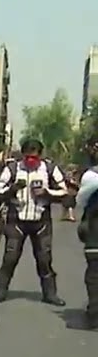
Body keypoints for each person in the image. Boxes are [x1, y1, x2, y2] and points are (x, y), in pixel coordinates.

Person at [0, 138, 69, 306]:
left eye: (34, 157)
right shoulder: (11, 169)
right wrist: (13, 189)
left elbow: (65, 193)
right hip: (16, 220)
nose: (30, 161)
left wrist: (46, 192)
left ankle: (50, 294)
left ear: (40, 156)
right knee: (10, 257)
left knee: (44, 259)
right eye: (27, 157)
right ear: (22, 156)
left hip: (41, 221)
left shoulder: (50, 169)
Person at [77, 138, 98, 329]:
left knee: (94, 271)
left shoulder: (91, 176)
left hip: (94, 224)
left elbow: (81, 200)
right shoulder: (91, 176)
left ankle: (94, 312)